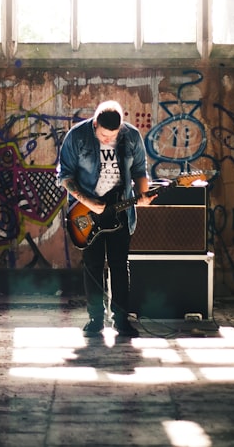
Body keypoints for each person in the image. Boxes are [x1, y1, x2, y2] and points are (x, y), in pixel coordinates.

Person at [56, 100, 156, 338]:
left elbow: (140, 169)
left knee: (120, 266)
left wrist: (143, 195)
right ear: (95, 124)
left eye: (113, 135)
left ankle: (121, 320)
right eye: (103, 135)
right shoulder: (77, 136)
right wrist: (89, 203)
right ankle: (95, 319)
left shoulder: (130, 136)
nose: (108, 139)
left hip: (120, 210)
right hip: (88, 212)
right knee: (92, 266)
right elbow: (64, 176)